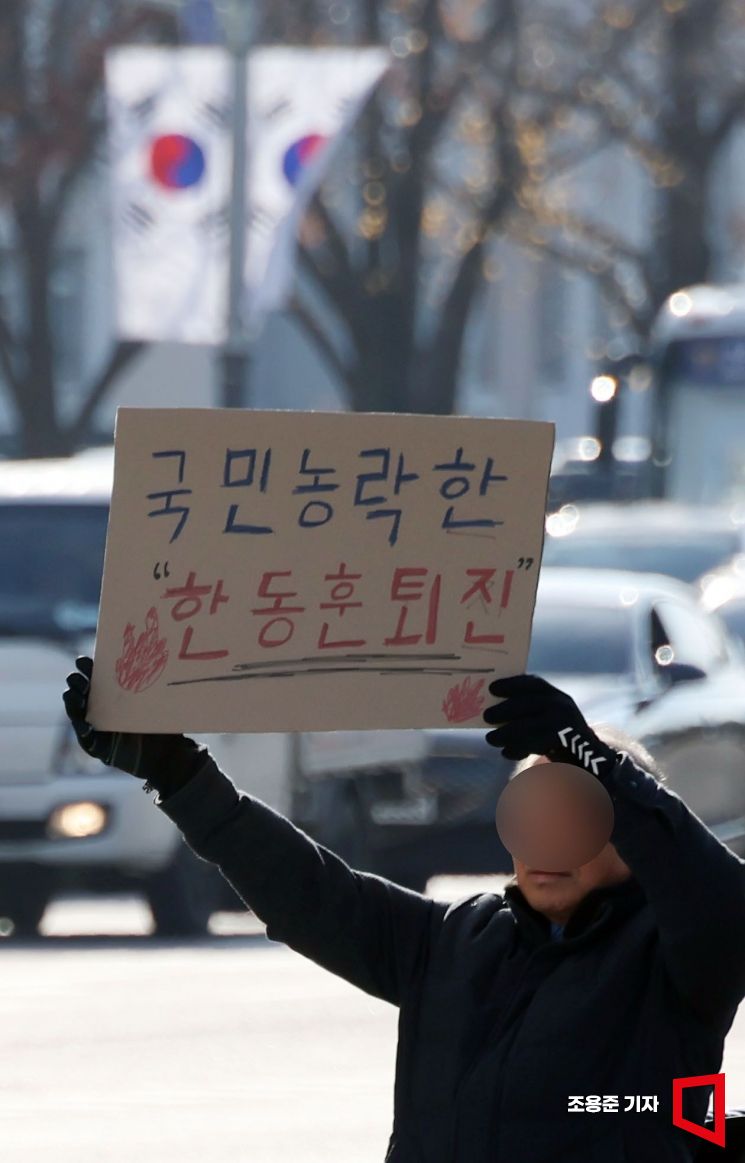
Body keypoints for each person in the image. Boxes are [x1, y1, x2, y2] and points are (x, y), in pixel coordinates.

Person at [63, 661, 745, 1163]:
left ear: (629, 836)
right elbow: (305, 889)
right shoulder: (454, 940)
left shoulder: (673, 958)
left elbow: (719, 897)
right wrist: (177, 773)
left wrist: (593, 759)